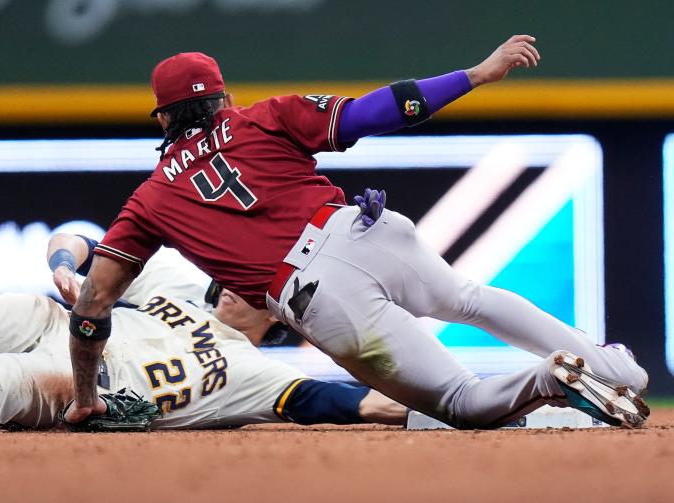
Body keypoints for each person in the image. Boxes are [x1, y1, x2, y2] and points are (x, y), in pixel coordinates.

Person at [63, 35, 651, 429]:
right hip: (363, 226)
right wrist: (474, 74)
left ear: (164, 117)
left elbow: (93, 306)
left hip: (315, 293)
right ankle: (611, 365)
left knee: (461, 403)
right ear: (223, 98)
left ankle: (551, 378)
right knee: (470, 299)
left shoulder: (151, 199)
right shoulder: (264, 114)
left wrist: (87, 397)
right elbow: (376, 111)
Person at [0, 236, 406, 434]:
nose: (242, 281)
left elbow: (350, 402)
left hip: (79, 382)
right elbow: (74, 240)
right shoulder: (177, 275)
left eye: (261, 283)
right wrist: (65, 268)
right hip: (53, 323)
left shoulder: (259, 373)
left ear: (283, 315)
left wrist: (449, 407)